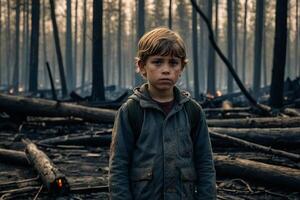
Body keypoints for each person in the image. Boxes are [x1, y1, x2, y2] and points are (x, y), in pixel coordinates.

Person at [109, 27, 216, 200]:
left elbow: (205, 165)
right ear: (142, 66)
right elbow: (118, 167)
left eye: (173, 63)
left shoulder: (193, 112)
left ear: (181, 68)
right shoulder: (131, 111)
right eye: (157, 62)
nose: (166, 70)